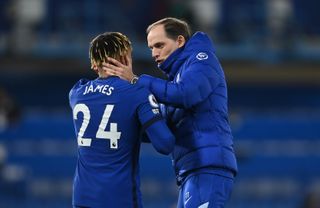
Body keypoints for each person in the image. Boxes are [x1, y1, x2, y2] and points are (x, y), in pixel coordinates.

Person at [102, 17, 238, 208]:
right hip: (191, 171)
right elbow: (161, 126)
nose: (154, 53)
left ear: (180, 41)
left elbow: (187, 94)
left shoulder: (202, 60)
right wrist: (117, 127)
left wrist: (135, 80)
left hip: (208, 166)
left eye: (159, 45)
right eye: (151, 48)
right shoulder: (176, 79)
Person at [68, 32, 175, 208]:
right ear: (125, 58)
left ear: (95, 64)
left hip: (82, 199)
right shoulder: (136, 93)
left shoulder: (77, 93)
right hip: (119, 198)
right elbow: (165, 144)